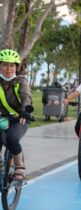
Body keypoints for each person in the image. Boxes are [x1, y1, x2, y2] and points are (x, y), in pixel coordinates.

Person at [0, 49, 33, 180]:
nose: (8, 68)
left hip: (21, 118)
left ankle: (19, 166)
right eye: (4, 65)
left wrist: (25, 111)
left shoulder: (21, 82)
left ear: (16, 67)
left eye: (12, 65)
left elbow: (26, 97)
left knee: (12, 139)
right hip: (2, 118)